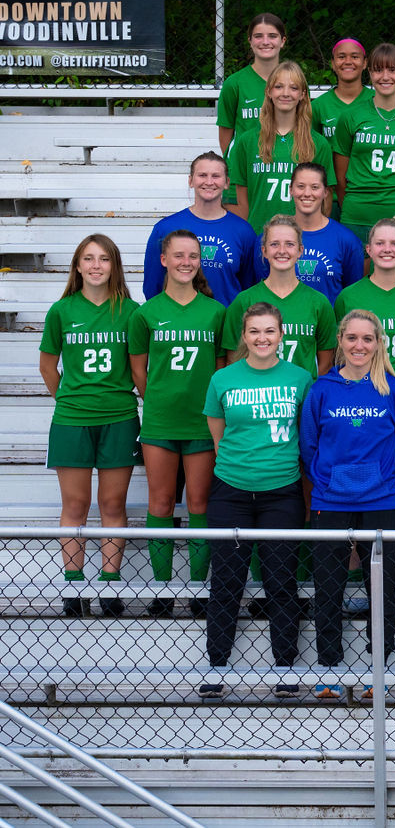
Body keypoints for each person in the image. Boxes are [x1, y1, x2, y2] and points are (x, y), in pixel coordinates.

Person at [199, 302, 312, 699]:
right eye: (254, 331)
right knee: (226, 582)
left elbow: (306, 432)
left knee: (280, 581)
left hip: (281, 492)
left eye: (269, 331)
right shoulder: (223, 379)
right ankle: (216, 666)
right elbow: (219, 435)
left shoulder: (300, 378)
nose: (262, 338)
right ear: (243, 336)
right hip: (230, 492)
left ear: (281, 335)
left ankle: (285, 667)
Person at [300, 310, 395, 699]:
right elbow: (309, 445)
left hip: (379, 501)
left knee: (380, 588)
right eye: (352, 338)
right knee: (327, 586)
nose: (359, 345)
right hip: (330, 500)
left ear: (379, 343)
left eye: (367, 338)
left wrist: (382, 480)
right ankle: (329, 667)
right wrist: (329, 480)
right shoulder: (322, 389)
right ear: (340, 341)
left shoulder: (393, 390)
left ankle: (377, 667)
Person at [40, 234, 140, 616]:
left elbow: (138, 365)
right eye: (89, 258)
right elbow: (48, 367)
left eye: (104, 259)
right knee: (76, 504)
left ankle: (109, 585)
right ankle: (73, 586)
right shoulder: (61, 311)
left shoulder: (131, 312)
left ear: (114, 266)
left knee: (112, 503)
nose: (96, 265)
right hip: (72, 420)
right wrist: (68, 400)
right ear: (78, 266)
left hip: (119, 416)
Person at [130, 230, 226, 610]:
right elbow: (139, 371)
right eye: (179, 255)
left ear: (200, 261)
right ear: (164, 260)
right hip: (160, 422)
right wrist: (159, 400)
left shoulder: (215, 311)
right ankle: (162, 590)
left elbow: (220, 370)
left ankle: (199, 589)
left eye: (193, 256)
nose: (186, 262)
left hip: (202, 422)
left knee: (199, 502)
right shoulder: (146, 313)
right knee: (161, 501)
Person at [336, 219, 395, 580]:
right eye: (380, 242)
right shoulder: (350, 296)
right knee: (359, 491)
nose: (387, 249)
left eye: (394, 243)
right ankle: (356, 579)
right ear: (369, 249)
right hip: (361, 404)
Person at [332, 42, 395, 241]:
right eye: (378, 70)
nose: (385, 77)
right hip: (357, 214)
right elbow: (340, 177)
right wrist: (353, 206)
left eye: (393, 70)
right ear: (369, 72)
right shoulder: (351, 116)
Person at [221, 217, 337, 377]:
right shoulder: (244, 300)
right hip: (257, 390)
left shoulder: (319, 302)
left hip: (302, 392)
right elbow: (233, 360)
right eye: (274, 244)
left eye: (289, 244)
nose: (282, 251)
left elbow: (326, 364)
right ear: (264, 251)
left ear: (300, 251)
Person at [227, 61, 334, 231]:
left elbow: (326, 200)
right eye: (278, 87)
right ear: (268, 92)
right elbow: (242, 198)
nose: (285, 93)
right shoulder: (247, 141)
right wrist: (250, 234)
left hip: (302, 237)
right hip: (260, 236)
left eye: (293, 88)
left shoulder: (318, 143)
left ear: (302, 94)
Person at [145, 152, 260, 305]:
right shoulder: (165, 228)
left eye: (216, 176)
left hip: (226, 318)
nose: (209, 182)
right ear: (191, 180)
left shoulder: (244, 232)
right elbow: (152, 288)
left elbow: (250, 289)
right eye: (202, 175)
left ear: (227, 182)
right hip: (179, 318)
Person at [288, 163, 364, 303]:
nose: (307, 193)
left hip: (329, 317)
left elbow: (353, 296)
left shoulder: (347, 240)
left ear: (325, 192)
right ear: (291, 189)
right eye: (301, 186)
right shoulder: (273, 238)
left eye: (315, 187)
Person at [216, 12, 286, 156]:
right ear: (250, 41)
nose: (265, 42)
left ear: (282, 41)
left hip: (284, 162)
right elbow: (225, 132)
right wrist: (234, 164)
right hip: (246, 163)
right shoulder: (234, 83)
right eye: (258, 36)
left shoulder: (294, 82)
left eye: (272, 36)